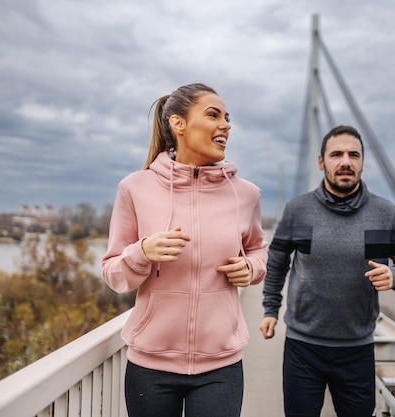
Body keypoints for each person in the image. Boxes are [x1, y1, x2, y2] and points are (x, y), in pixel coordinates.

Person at [102, 83, 268, 417]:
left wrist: (250, 267)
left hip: (220, 367)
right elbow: (112, 273)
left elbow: (260, 250)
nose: (226, 125)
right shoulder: (135, 188)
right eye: (213, 115)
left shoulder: (246, 194)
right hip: (151, 366)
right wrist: (142, 252)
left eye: (227, 118)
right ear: (179, 124)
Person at [260, 124, 395, 417]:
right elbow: (277, 260)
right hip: (303, 348)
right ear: (321, 162)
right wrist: (270, 309)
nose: (345, 162)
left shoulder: (385, 213)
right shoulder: (298, 210)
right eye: (336, 154)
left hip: (357, 349)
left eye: (354, 155)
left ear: (363, 163)